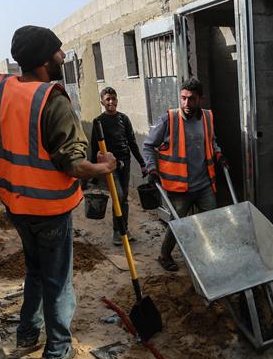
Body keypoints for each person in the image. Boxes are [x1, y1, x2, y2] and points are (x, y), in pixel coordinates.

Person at [0, 25, 116, 359]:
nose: (62, 56)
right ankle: (57, 349)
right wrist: (104, 166)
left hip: (15, 205)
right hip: (49, 209)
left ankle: (27, 333)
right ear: (42, 59)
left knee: (35, 270)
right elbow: (76, 166)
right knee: (57, 279)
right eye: (57, 51)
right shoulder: (51, 100)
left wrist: (16, 176)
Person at [143, 77, 225, 272]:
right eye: (183, 98)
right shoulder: (169, 119)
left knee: (210, 220)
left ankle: (208, 254)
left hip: (204, 184)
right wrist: (152, 169)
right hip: (180, 188)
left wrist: (219, 153)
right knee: (176, 225)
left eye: (191, 99)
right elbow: (148, 145)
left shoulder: (207, 117)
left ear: (200, 99)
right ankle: (164, 255)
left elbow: (211, 141)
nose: (186, 103)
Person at [89, 87, 147, 246]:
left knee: (124, 200)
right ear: (102, 101)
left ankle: (124, 229)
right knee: (119, 196)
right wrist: (93, 173)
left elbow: (132, 143)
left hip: (125, 163)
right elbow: (94, 147)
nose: (111, 102)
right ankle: (117, 231)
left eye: (113, 99)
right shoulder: (98, 122)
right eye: (107, 99)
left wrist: (142, 164)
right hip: (110, 166)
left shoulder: (124, 119)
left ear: (117, 100)